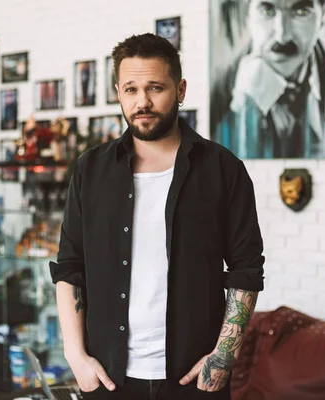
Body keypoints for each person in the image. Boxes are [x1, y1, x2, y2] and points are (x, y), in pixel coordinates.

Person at [49, 33, 265, 400]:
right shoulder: (91, 169)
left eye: (155, 87)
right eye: (130, 89)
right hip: (107, 378)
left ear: (180, 90)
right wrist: (75, 356)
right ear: (118, 92)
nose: (142, 102)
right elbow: (70, 266)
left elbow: (246, 269)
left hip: (192, 379)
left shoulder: (222, 169)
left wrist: (225, 354)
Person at [210, 0, 325, 159]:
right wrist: (245, 106)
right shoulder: (215, 92)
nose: (283, 36)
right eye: (267, 11)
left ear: (323, 16)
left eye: (301, 12)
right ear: (247, 16)